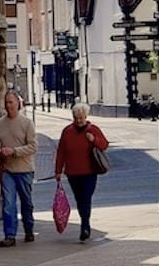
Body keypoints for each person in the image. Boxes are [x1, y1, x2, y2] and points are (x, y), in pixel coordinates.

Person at [54, 103, 110, 242]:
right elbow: (61, 152)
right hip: (73, 173)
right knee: (79, 199)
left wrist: (94, 140)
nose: (78, 121)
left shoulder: (93, 130)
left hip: (89, 172)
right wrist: (58, 170)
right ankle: (85, 222)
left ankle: (85, 226)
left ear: (86, 117)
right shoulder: (67, 131)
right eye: (76, 118)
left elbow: (104, 145)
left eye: (81, 118)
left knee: (86, 197)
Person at [0, 90, 38, 247]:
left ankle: (29, 229)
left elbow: (33, 146)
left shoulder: (27, 123)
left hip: (25, 169)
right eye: (6, 103)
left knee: (26, 203)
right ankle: (10, 235)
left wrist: (14, 151)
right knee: (8, 204)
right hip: (8, 170)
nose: (8, 106)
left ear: (18, 103)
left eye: (11, 102)